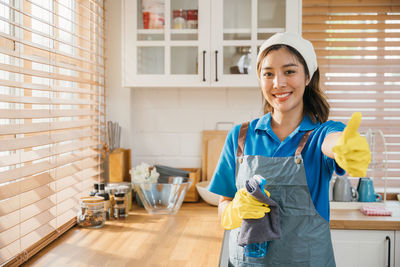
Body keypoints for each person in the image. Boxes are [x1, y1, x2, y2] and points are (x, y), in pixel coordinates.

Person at [208, 32, 371, 266]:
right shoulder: (240, 136)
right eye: (268, 74)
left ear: (307, 77)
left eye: (289, 71)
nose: (278, 83)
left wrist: (344, 145)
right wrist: (233, 210)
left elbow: (334, 139)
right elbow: (223, 204)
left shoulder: (319, 135)